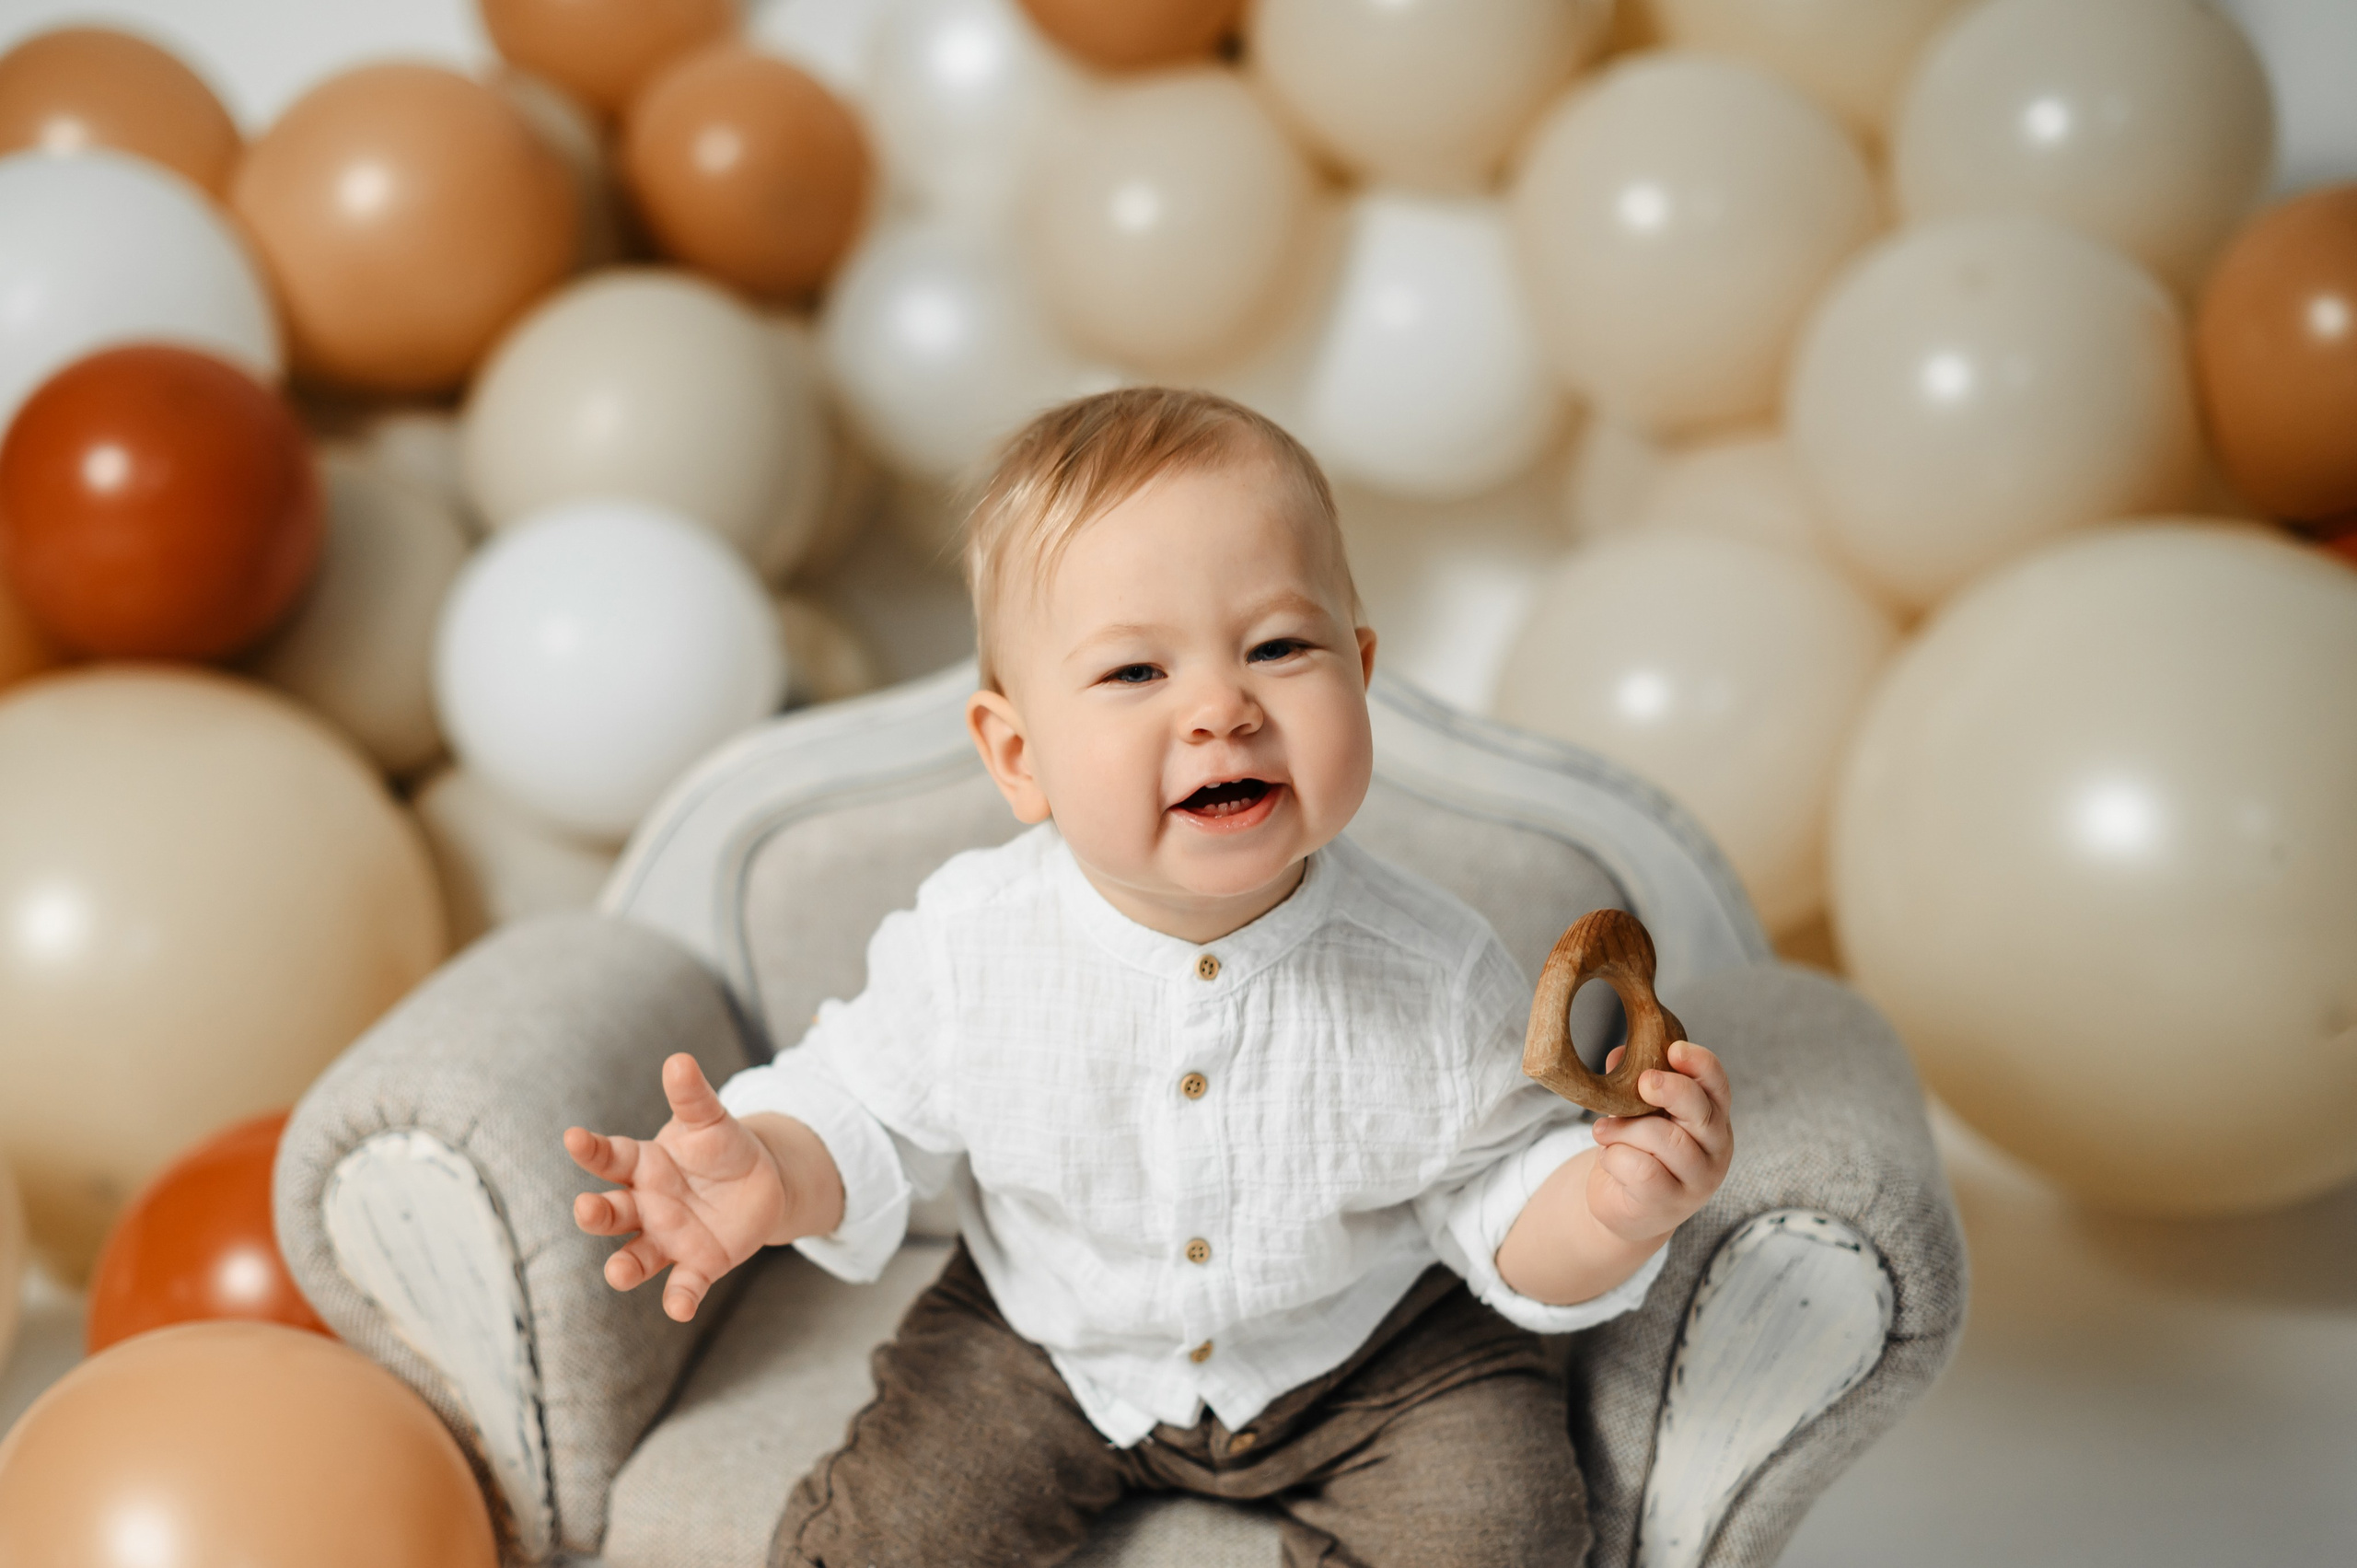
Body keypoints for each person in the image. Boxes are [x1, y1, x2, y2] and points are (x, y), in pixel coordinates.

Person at [563, 387, 1734, 1568]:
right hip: (1047, 1338)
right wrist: (768, 1169)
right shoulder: (974, 941)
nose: (1222, 708)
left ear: (1360, 671)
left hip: (1369, 1348)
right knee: (883, 1539)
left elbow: (1497, 1200)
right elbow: (860, 1107)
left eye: (1278, 648)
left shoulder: (1434, 966)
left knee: (1504, 1529)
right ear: (1019, 756)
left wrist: (1611, 1205)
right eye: (1134, 672)